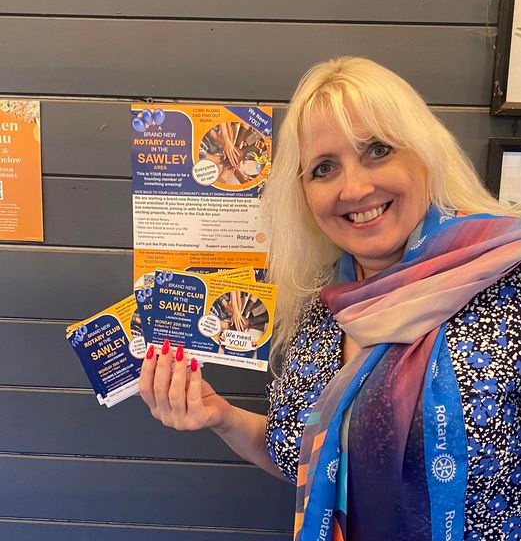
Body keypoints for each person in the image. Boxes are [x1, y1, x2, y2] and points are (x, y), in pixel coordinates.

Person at [139, 57, 521, 540]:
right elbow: (306, 461)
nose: (356, 187)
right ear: (303, 194)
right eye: (324, 168)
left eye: (378, 150)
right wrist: (223, 417)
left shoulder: (506, 282)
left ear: (424, 154)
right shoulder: (321, 313)